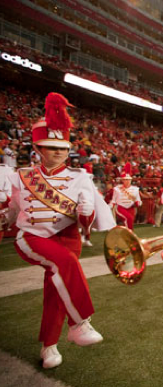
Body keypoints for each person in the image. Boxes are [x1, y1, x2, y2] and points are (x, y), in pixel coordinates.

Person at [2, 93, 115, 369]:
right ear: (38, 149)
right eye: (50, 147)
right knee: (63, 264)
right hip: (32, 236)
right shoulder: (20, 176)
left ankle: (48, 347)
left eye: (62, 148)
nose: (58, 152)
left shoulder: (81, 177)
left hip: (68, 238)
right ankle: (79, 323)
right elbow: (12, 213)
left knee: (55, 290)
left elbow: (86, 225)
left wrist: (85, 213)